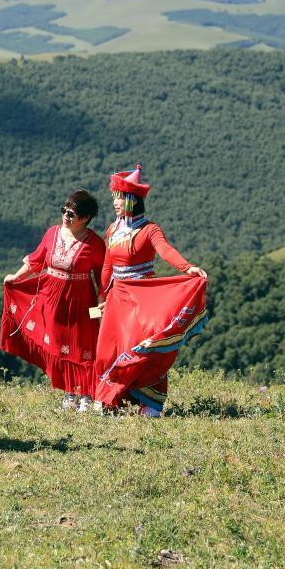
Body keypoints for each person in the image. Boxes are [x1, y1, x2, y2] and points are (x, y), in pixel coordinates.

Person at [94, 164, 208, 417]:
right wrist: (102, 296)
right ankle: (113, 399)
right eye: (114, 198)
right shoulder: (112, 230)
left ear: (132, 200)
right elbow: (107, 265)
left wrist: (187, 268)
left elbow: (165, 250)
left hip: (143, 296)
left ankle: (150, 404)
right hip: (118, 298)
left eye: (119, 198)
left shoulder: (150, 229)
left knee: (144, 346)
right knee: (112, 349)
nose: (115, 203)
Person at [1, 190, 106, 411]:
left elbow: (102, 277)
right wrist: (16, 277)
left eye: (72, 213)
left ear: (85, 218)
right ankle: (70, 393)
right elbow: (36, 260)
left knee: (83, 345)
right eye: (64, 211)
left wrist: (101, 302)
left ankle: (87, 395)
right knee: (60, 345)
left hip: (81, 302)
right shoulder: (52, 233)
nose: (66, 216)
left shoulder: (95, 244)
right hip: (52, 299)